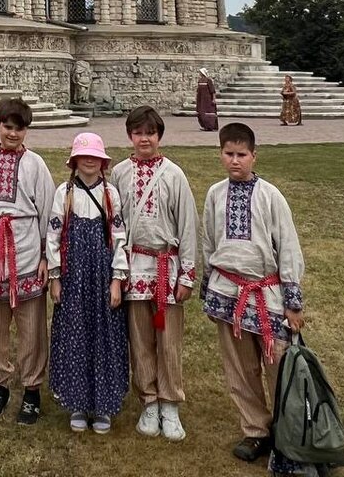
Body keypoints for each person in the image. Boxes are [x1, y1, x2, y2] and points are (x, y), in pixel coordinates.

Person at [202, 122, 306, 468]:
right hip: (228, 291)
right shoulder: (215, 194)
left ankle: (286, 432)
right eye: (229, 154)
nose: (235, 161)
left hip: (267, 294)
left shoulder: (271, 195)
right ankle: (255, 429)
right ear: (221, 155)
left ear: (253, 155)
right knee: (240, 369)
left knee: (277, 365)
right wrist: (208, 289)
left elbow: (288, 247)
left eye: (241, 155)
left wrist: (292, 301)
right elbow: (208, 243)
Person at [110, 105, 198, 442]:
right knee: (140, 339)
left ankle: (170, 402)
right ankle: (148, 399)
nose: (144, 139)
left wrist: (187, 274)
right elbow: (114, 226)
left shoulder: (174, 175)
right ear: (130, 136)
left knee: (169, 340)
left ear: (159, 135)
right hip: (133, 268)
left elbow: (188, 225)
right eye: (138, 132)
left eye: (149, 132)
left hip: (166, 266)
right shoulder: (118, 173)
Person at [0, 97, 54, 426]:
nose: (13, 134)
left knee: (31, 325)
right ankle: (0, 384)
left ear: (26, 131)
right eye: (7, 126)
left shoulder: (36, 165)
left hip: (27, 249)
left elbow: (47, 213)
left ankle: (31, 389)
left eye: (19, 128)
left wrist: (47, 256)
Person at [47, 132, 129, 433]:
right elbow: (53, 237)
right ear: (75, 160)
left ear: (103, 161)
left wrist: (117, 280)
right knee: (75, 335)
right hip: (73, 276)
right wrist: (55, 278)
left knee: (103, 335)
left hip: (101, 276)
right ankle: (78, 402)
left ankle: (103, 404)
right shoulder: (63, 193)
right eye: (84, 155)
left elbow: (120, 239)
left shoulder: (111, 195)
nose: (90, 160)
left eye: (95, 155)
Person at [196, 67, 219, 132]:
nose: (200, 73)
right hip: (201, 99)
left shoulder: (208, 80)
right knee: (201, 112)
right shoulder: (200, 80)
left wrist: (213, 99)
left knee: (209, 113)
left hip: (208, 100)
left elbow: (212, 90)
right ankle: (205, 126)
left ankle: (211, 126)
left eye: (200, 72)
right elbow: (198, 91)